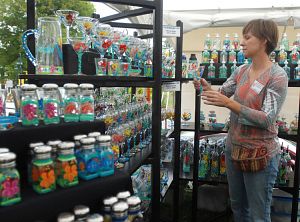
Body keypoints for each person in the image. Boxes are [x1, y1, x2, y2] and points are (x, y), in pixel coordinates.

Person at [193, 19, 288, 222]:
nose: (241, 43)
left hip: (259, 155)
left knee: (258, 214)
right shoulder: (241, 71)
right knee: (237, 207)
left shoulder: (277, 76)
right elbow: (220, 94)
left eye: (247, 37)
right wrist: (204, 88)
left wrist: (230, 104)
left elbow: (266, 118)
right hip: (234, 149)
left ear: (264, 40)